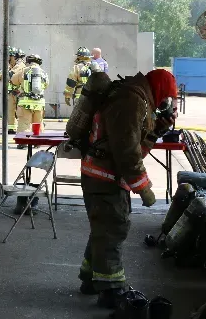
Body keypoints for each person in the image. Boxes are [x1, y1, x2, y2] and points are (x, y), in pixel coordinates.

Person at [76, 69, 177, 308]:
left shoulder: (136, 98)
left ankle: (91, 279)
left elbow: (136, 146)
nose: (166, 104)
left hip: (103, 176)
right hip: (104, 177)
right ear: (159, 90)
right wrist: (144, 188)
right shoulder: (130, 101)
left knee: (103, 229)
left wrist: (157, 130)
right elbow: (127, 152)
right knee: (113, 228)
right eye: (167, 98)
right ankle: (110, 289)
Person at [12, 53, 48, 133]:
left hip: (25, 103)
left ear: (28, 61)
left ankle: (23, 142)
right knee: (38, 124)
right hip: (39, 103)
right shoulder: (44, 73)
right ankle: (38, 142)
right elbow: (46, 85)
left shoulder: (23, 71)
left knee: (24, 123)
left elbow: (13, 80)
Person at [6, 47, 26, 134]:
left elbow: (10, 75)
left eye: (10, 56)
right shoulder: (11, 66)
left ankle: (25, 127)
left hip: (18, 93)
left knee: (20, 112)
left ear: (14, 57)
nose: (8, 58)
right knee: (10, 110)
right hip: (11, 93)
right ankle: (11, 128)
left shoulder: (20, 65)